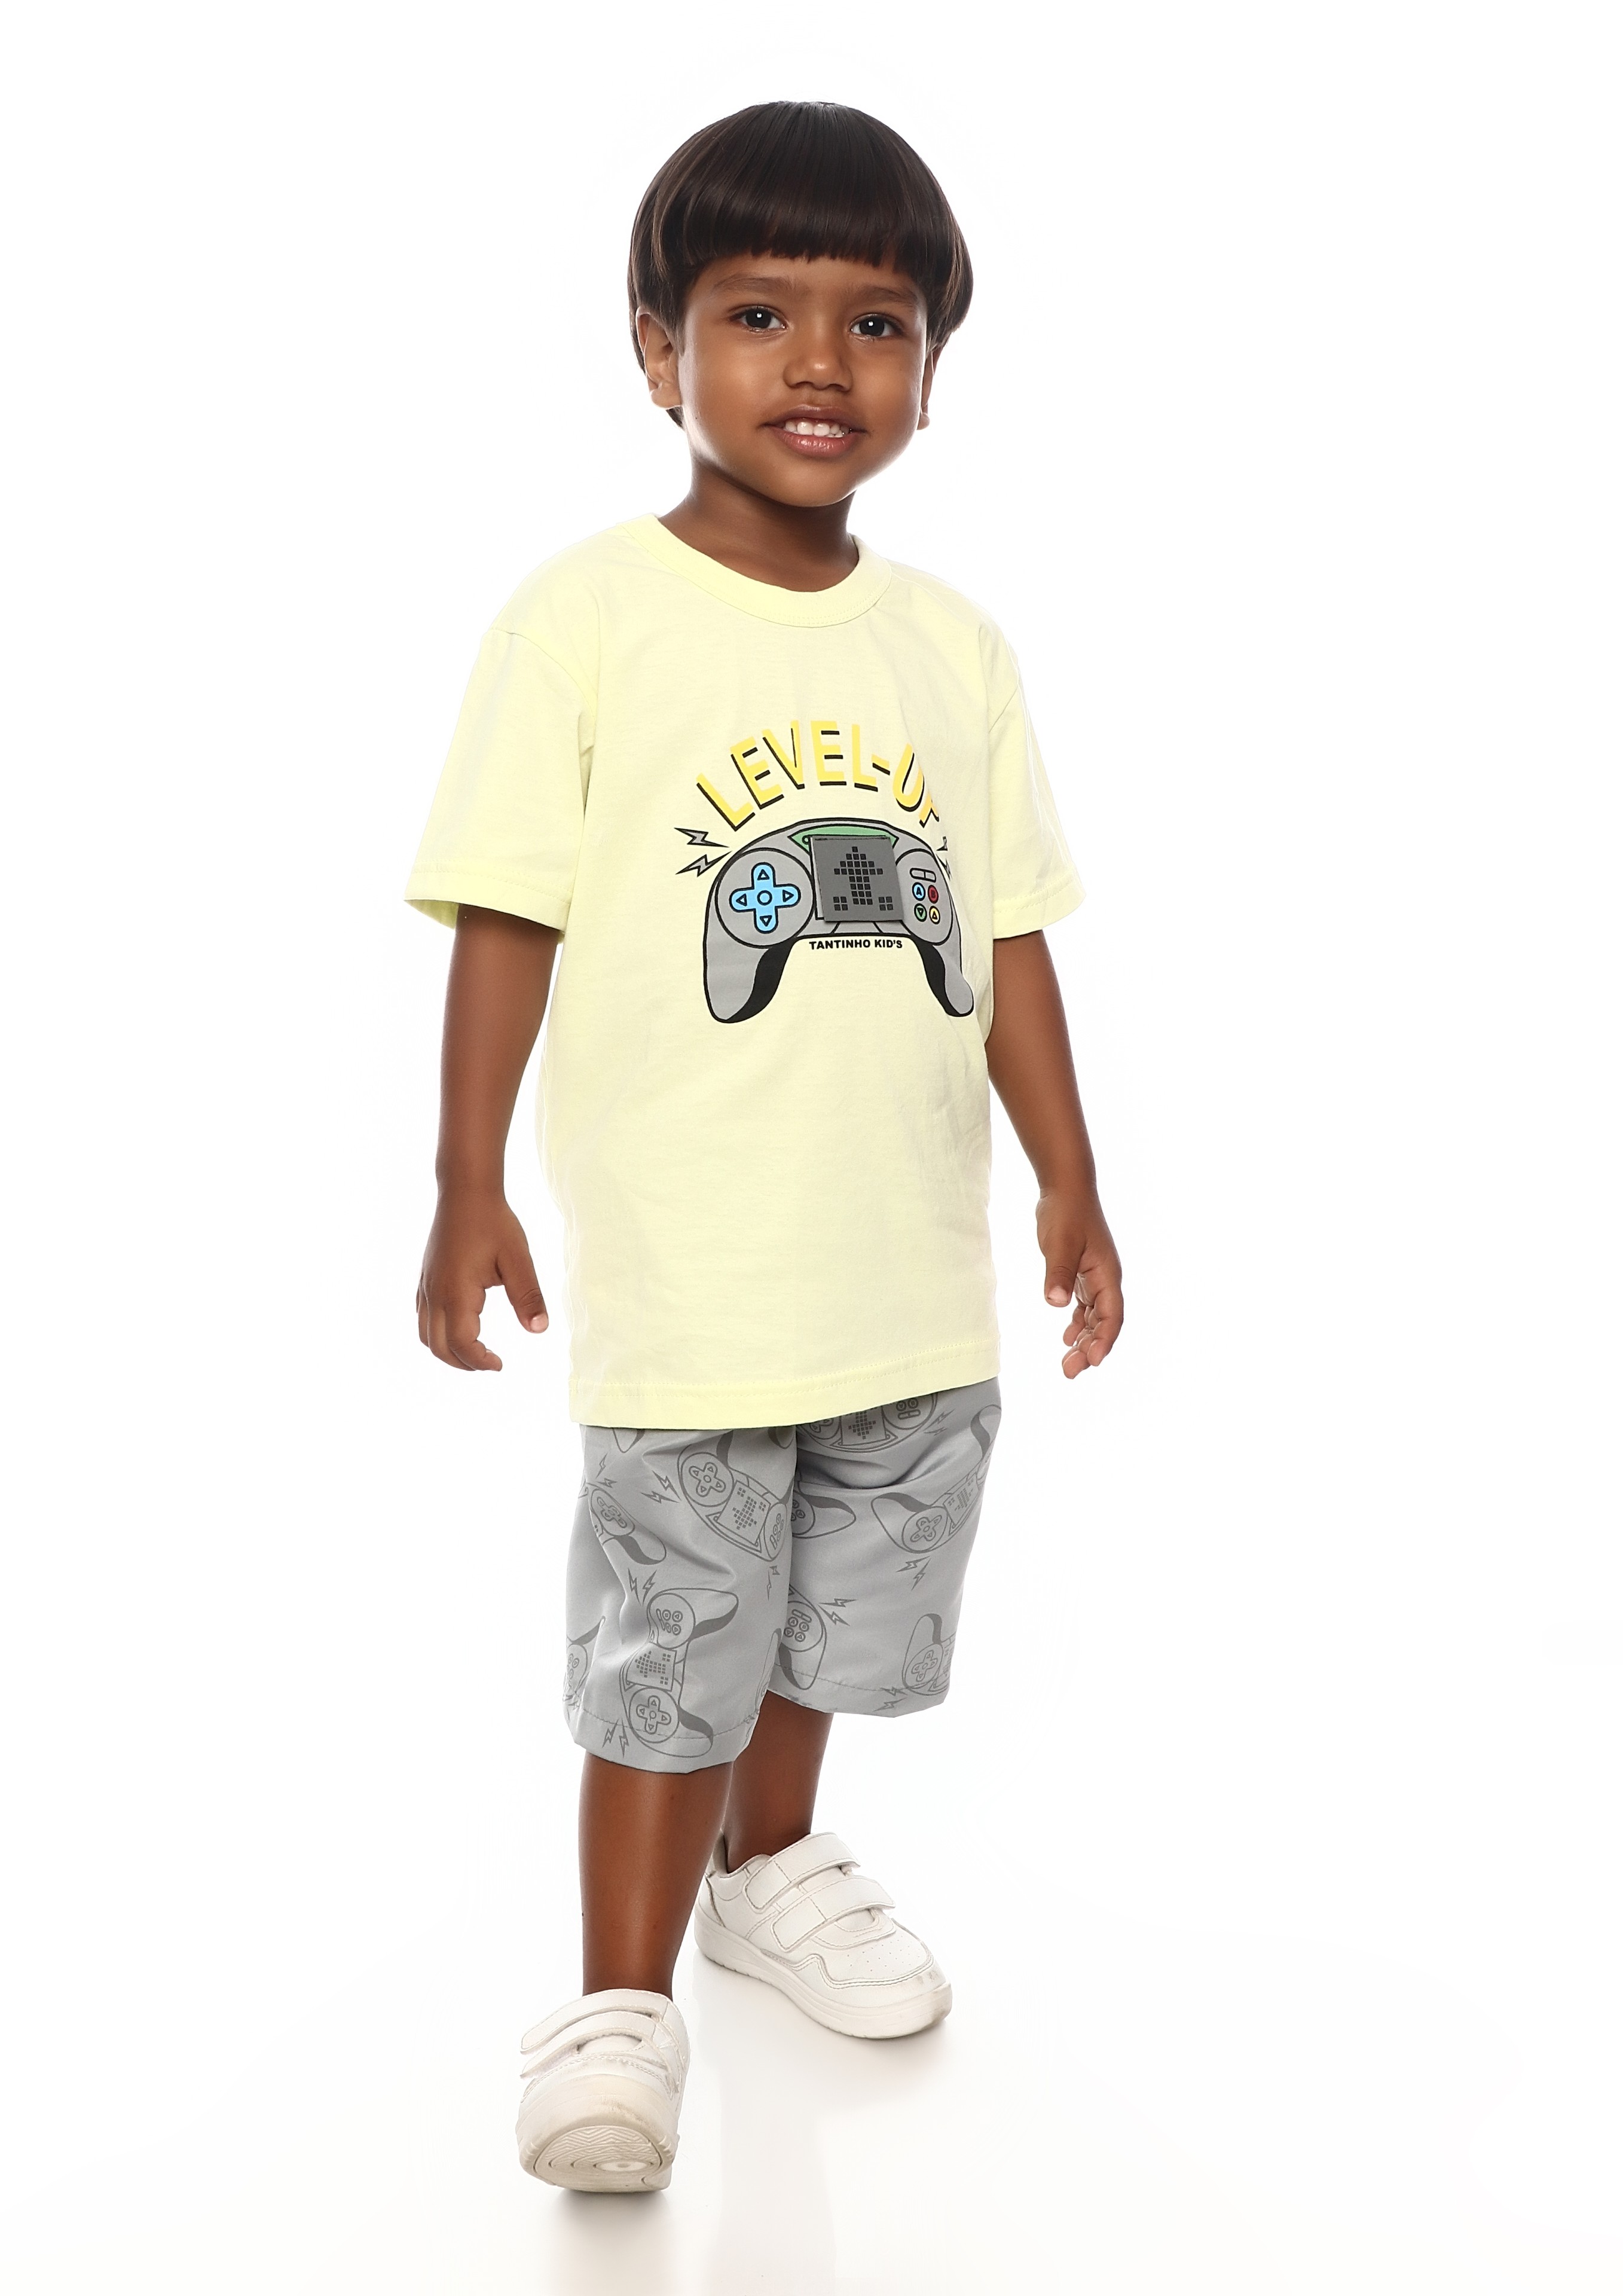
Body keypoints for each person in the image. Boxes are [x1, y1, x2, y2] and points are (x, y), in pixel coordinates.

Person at [408, 99, 1123, 2194]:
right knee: (674, 1633)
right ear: (658, 352)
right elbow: (506, 910)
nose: (820, 362)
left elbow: (1002, 930)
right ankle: (616, 2003)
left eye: (876, 322)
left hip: (905, 1259)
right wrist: (464, 1179)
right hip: (698, 1256)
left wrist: (1072, 1176)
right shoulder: (585, 620)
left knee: (825, 1614)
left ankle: (768, 1866)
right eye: (756, 313)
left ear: (930, 370)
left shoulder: (951, 647)